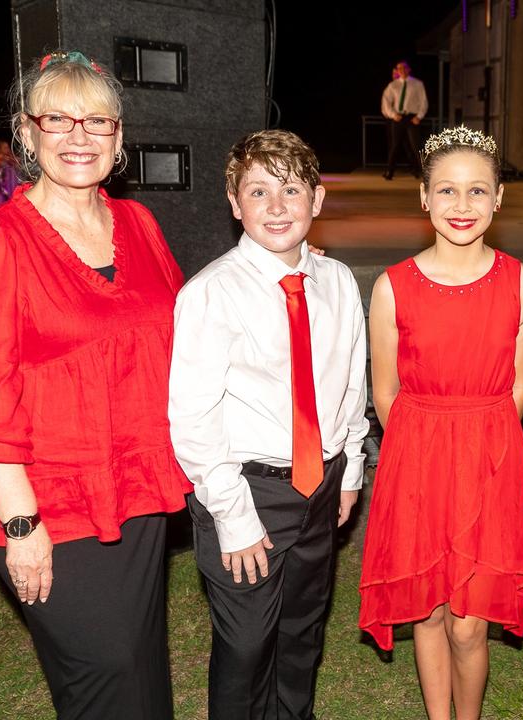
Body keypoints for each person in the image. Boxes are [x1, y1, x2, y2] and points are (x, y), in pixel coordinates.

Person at [0, 50, 191, 719]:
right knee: (104, 681)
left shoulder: (139, 225)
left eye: (97, 122)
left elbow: (184, 338)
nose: (79, 136)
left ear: (120, 139)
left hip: (136, 492)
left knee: (142, 674)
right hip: (49, 505)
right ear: (27, 131)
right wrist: (20, 524)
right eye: (58, 119)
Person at [169, 129, 369, 720]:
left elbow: (349, 382)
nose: (276, 207)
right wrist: (232, 516)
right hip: (248, 490)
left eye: (290, 189)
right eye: (258, 192)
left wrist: (351, 467)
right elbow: (193, 414)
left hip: (321, 483)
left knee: (302, 632)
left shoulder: (335, 282)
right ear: (234, 204)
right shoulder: (211, 293)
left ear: (317, 199)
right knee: (248, 642)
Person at [359, 125, 523, 720]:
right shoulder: (392, 287)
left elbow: (520, 383)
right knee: (429, 611)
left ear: (497, 199)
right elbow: (384, 391)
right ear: (423, 197)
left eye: (475, 192)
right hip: (417, 458)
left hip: (489, 456)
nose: (460, 206)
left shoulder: (522, 282)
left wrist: (482, 444)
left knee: (469, 625)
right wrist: (426, 443)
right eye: (446, 191)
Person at [381, 60, 428, 180]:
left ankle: (422, 172)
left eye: (403, 68)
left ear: (408, 69)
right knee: (394, 146)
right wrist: (392, 114)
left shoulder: (417, 84)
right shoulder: (393, 85)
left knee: (415, 146)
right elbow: (386, 101)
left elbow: (423, 102)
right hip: (399, 117)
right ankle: (389, 172)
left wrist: (419, 116)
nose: (401, 70)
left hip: (412, 118)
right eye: (399, 68)